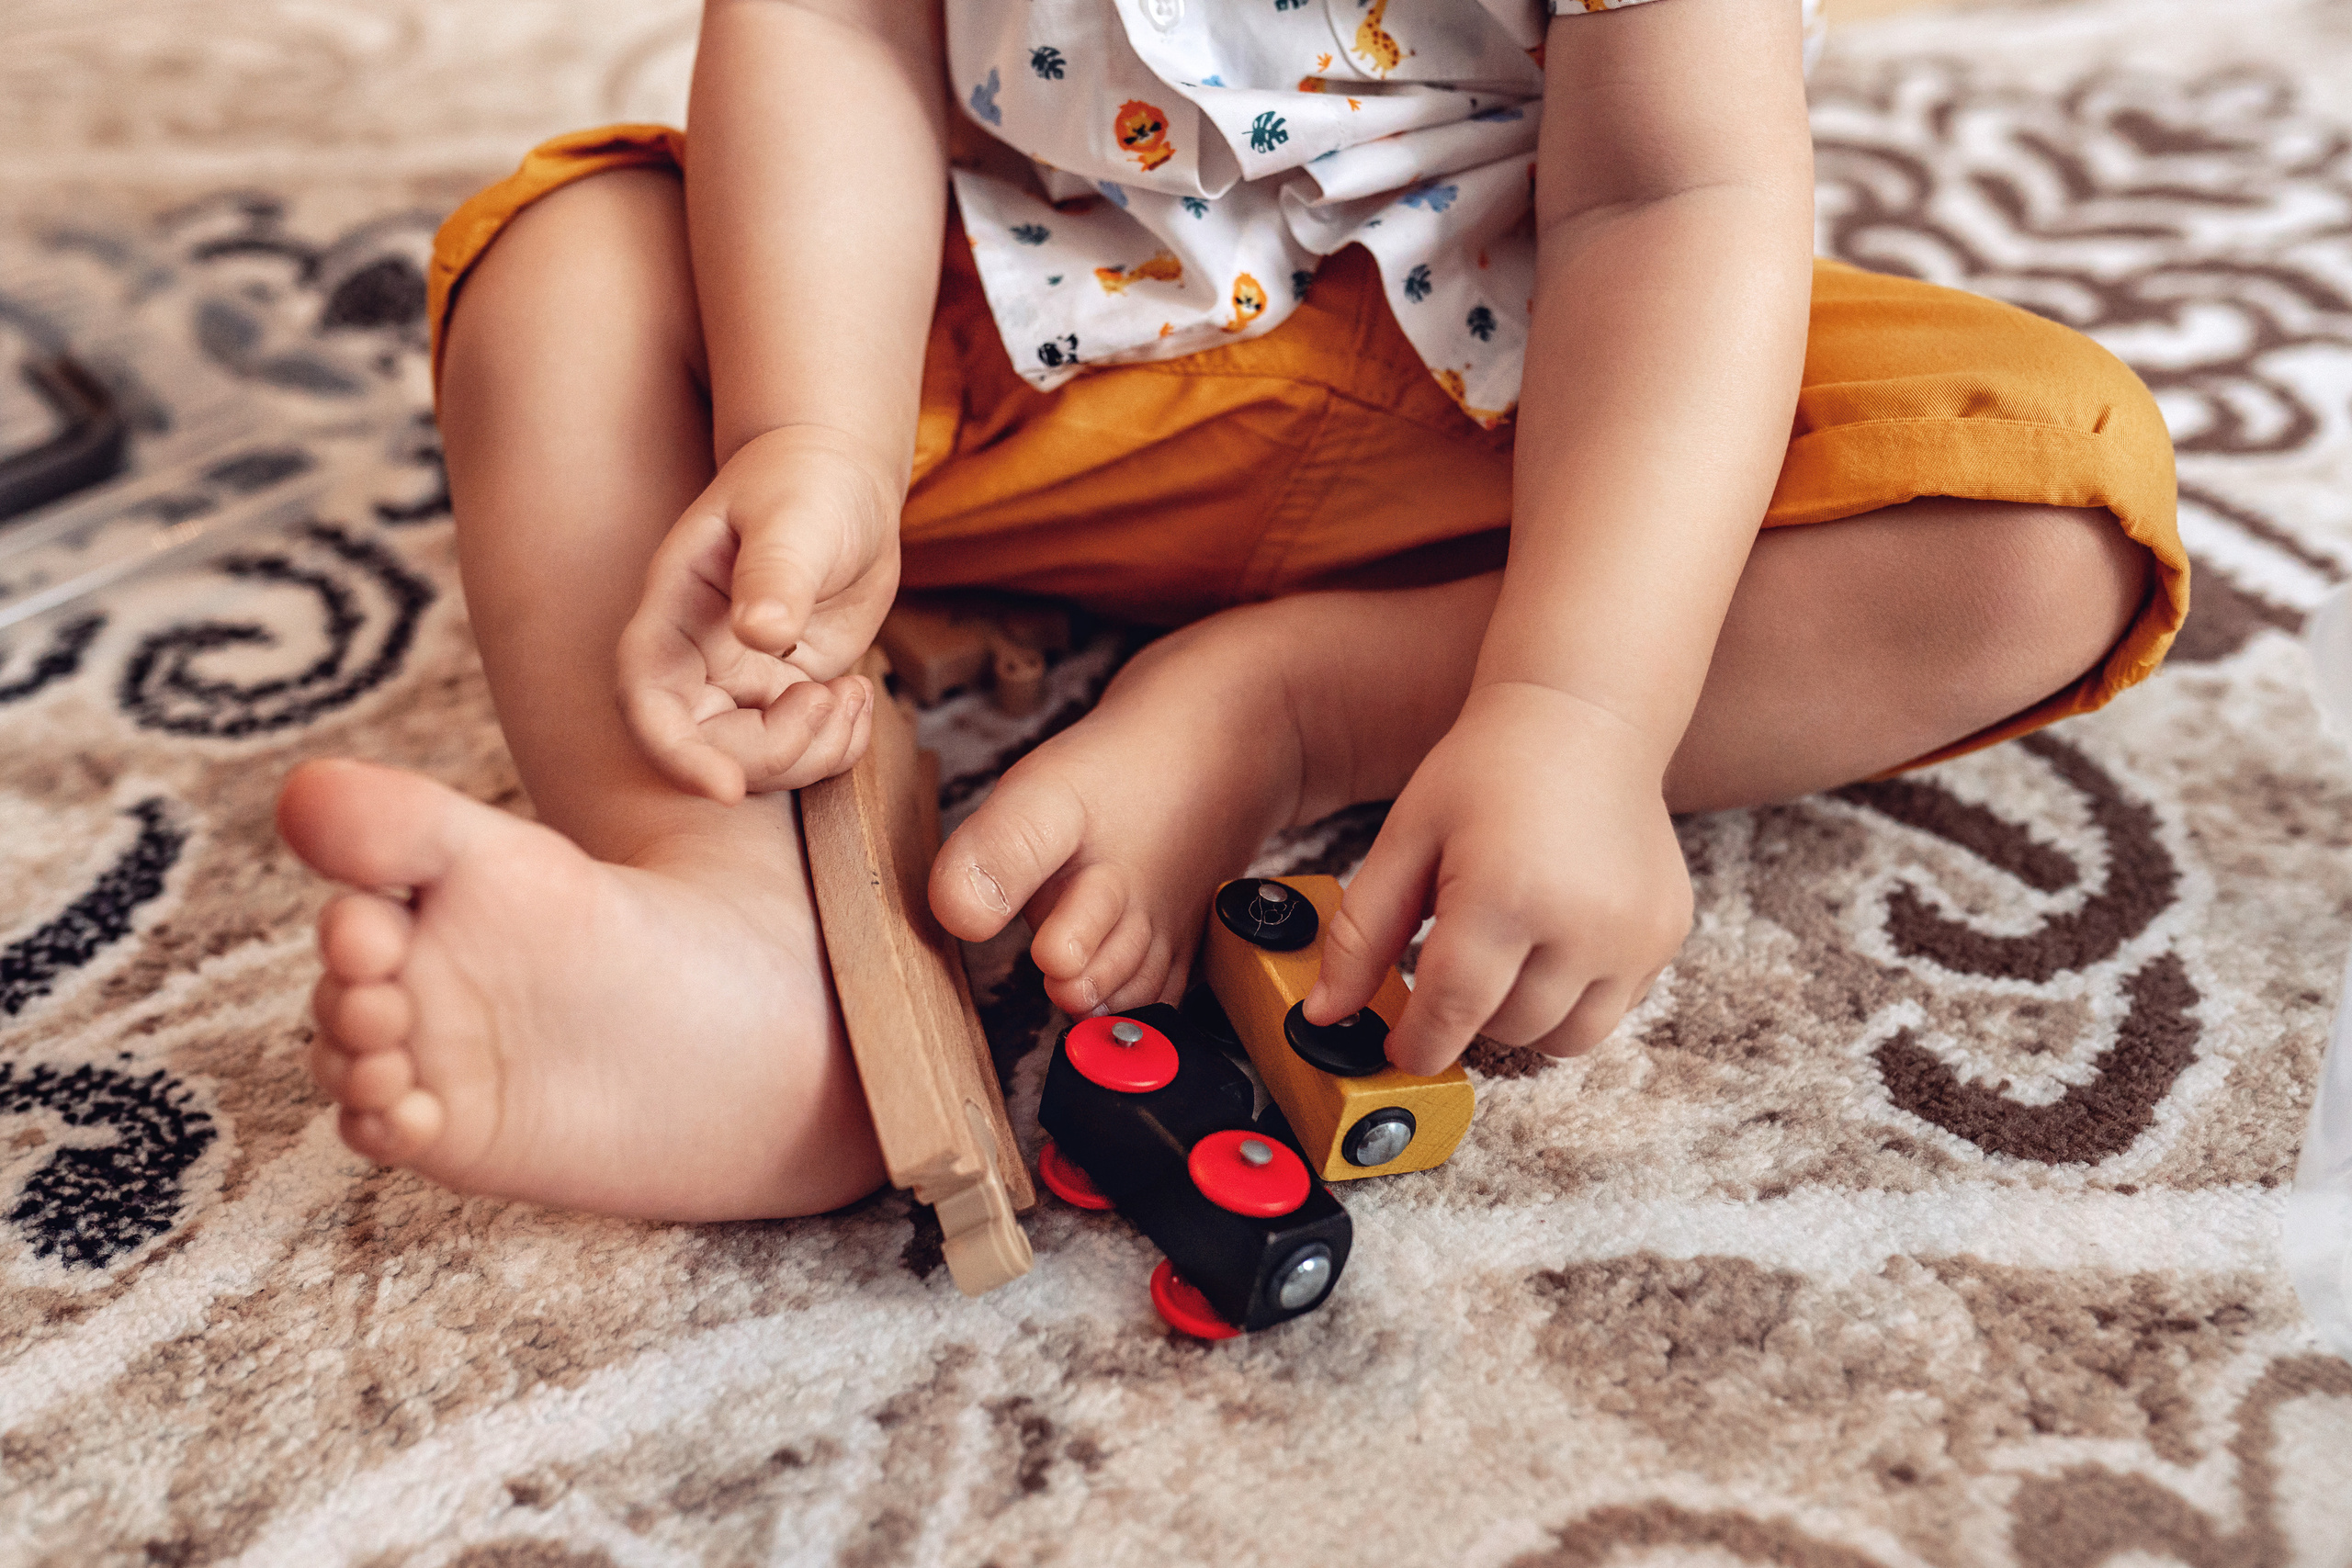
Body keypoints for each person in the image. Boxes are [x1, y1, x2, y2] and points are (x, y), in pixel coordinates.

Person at [273, 0, 2185, 1221]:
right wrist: (813, 439)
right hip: (1023, 347)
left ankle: (1313, 704)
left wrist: (1578, 712)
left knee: (2044, 512)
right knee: (566, 269)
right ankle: (731, 947)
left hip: (1518, 417)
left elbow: (1664, 206)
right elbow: (836, 36)